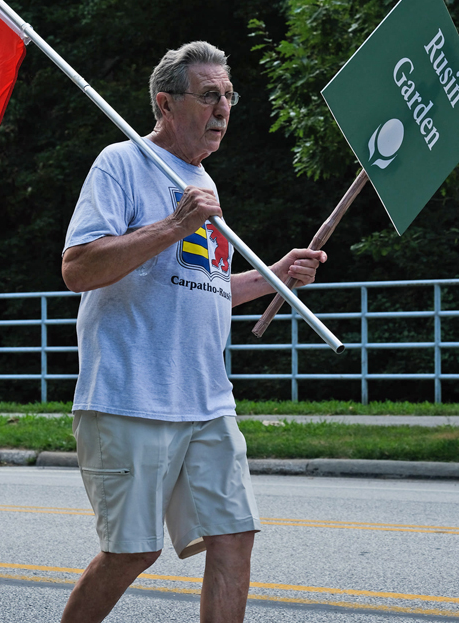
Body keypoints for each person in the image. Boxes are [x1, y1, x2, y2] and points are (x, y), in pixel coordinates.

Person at [60, 41, 326, 623]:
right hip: (130, 397)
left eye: (229, 95)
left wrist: (275, 278)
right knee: (132, 551)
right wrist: (175, 224)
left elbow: (204, 291)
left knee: (234, 538)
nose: (223, 107)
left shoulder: (204, 183)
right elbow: (79, 268)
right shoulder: (121, 163)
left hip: (206, 400)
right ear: (166, 103)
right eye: (209, 95)